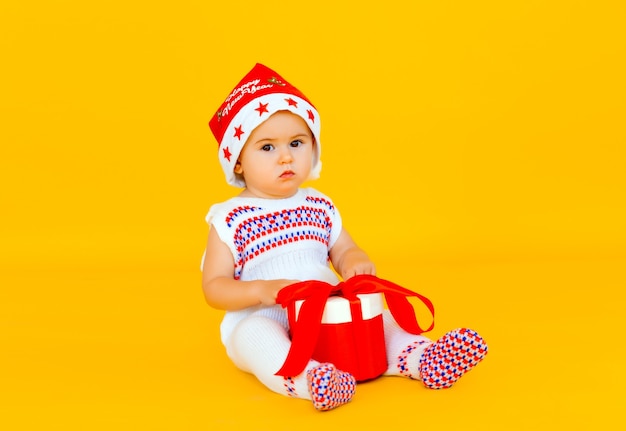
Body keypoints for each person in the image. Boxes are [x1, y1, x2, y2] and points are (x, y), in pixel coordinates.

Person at [201, 63, 488, 411]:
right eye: (266, 148)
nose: (287, 156)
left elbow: (344, 248)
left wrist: (354, 261)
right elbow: (214, 286)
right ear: (238, 162)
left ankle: (420, 358)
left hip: (325, 309)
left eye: (296, 142)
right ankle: (310, 380)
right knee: (255, 339)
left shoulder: (319, 205)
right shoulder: (229, 218)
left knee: (379, 318)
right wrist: (260, 291)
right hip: (264, 314)